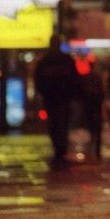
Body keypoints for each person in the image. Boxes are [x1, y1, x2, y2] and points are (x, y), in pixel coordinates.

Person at [34, 36, 79, 168]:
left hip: (53, 96)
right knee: (61, 121)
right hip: (61, 96)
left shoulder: (46, 61)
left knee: (55, 122)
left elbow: (39, 79)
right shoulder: (65, 60)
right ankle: (60, 146)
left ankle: (58, 145)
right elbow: (74, 78)